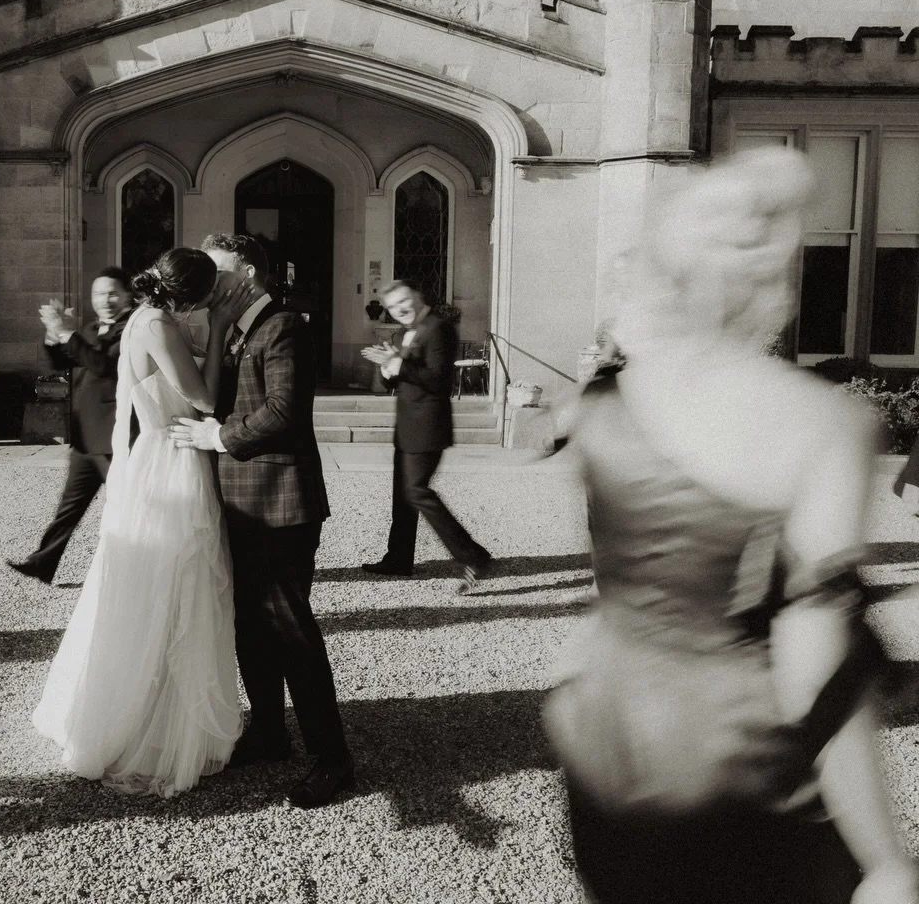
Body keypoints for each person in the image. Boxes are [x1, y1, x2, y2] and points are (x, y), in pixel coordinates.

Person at [546, 148, 919, 904]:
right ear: (782, 272)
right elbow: (816, 664)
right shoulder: (822, 422)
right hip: (733, 761)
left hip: (603, 741)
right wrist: (884, 858)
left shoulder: (601, 404)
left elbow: (613, 595)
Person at [33, 247, 256, 798]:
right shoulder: (155, 323)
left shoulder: (146, 318)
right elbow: (201, 398)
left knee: (161, 585)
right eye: (209, 294)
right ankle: (153, 726)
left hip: (157, 456)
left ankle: (155, 707)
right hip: (170, 460)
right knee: (173, 584)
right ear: (193, 295)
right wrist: (224, 325)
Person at [169, 232, 354, 810]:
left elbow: (284, 412)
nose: (205, 277)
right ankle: (271, 734)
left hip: (282, 504)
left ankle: (333, 760)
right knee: (249, 626)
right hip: (240, 502)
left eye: (216, 268)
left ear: (246, 270)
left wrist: (217, 437)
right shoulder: (236, 331)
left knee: (292, 631)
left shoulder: (283, 326)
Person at [358, 280, 492, 591]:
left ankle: (474, 555)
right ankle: (398, 559)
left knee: (417, 492)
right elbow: (390, 383)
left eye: (404, 301)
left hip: (429, 426)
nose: (400, 309)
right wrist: (386, 366)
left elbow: (437, 378)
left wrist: (396, 363)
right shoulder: (404, 332)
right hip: (406, 426)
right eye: (393, 307)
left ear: (418, 296)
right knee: (402, 496)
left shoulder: (438, 328)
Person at [8, 268, 135, 585]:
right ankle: (43, 563)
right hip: (84, 439)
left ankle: (137, 571)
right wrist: (54, 335)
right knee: (69, 508)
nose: (105, 300)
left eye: (112, 292)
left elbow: (104, 366)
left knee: (128, 509)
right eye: (98, 294)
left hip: (113, 439)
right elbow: (63, 363)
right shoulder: (91, 329)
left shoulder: (132, 329)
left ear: (127, 294)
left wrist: (68, 333)